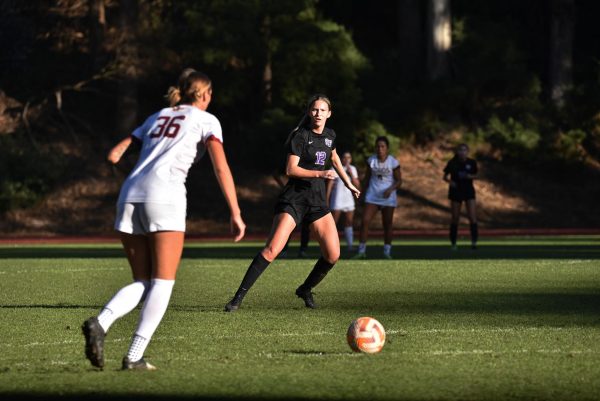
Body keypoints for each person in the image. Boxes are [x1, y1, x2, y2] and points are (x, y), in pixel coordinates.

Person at [82, 68, 246, 371]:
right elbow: (221, 167)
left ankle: (101, 322)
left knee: (143, 281)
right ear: (206, 94)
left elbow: (114, 154)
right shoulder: (206, 120)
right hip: (165, 195)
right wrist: (235, 212)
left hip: (129, 194)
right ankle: (133, 356)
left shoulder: (158, 116)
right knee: (162, 282)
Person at [224, 94, 359, 312]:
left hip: (316, 202)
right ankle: (237, 298)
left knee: (333, 254)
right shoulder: (300, 135)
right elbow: (291, 169)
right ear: (309, 112)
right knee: (272, 249)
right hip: (294, 199)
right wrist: (319, 174)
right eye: (314, 110)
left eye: (322, 110)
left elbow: (334, 159)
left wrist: (349, 183)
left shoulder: (330, 135)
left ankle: (305, 289)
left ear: (329, 114)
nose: (318, 114)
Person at [354, 136, 401, 259]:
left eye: (382, 146)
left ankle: (387, 252)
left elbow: (399, 180)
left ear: (387, 148)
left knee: (387, 224)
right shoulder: (371, 160)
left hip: (388, 197)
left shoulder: (393, 162)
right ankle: (361, 251)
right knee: (365, 221)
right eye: (378, 146)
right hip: (373, 196)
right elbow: (367, 179)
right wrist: (360, 192)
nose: (380, 149)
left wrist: (390, 189)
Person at [443, 143, 479, 250]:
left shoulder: (471, 162)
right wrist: (450, 182)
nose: (462, 152)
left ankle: (474, 242)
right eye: (460, 150)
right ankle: (453, 243)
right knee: (455, 218)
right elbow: (445, 177)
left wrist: (469, 176)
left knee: (472, 216)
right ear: (457, 152)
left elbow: (477, 175)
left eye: (464, 150)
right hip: (456, 191)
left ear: (467, 152)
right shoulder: (452, 163)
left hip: (468, 191)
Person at [326, 151, 360, 251]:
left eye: (349, 157)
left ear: (351, 159)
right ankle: (330, 246)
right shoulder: (335, 168)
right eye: (344, 157)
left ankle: (350, 245)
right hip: (337, 199)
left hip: (348, 200)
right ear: (341, 159)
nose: (347, 159)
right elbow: (329, 186)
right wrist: (326, 199)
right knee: (333, 223)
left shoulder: (353, 169)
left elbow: (358, 185)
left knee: (349, 222)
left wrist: (351, 174)